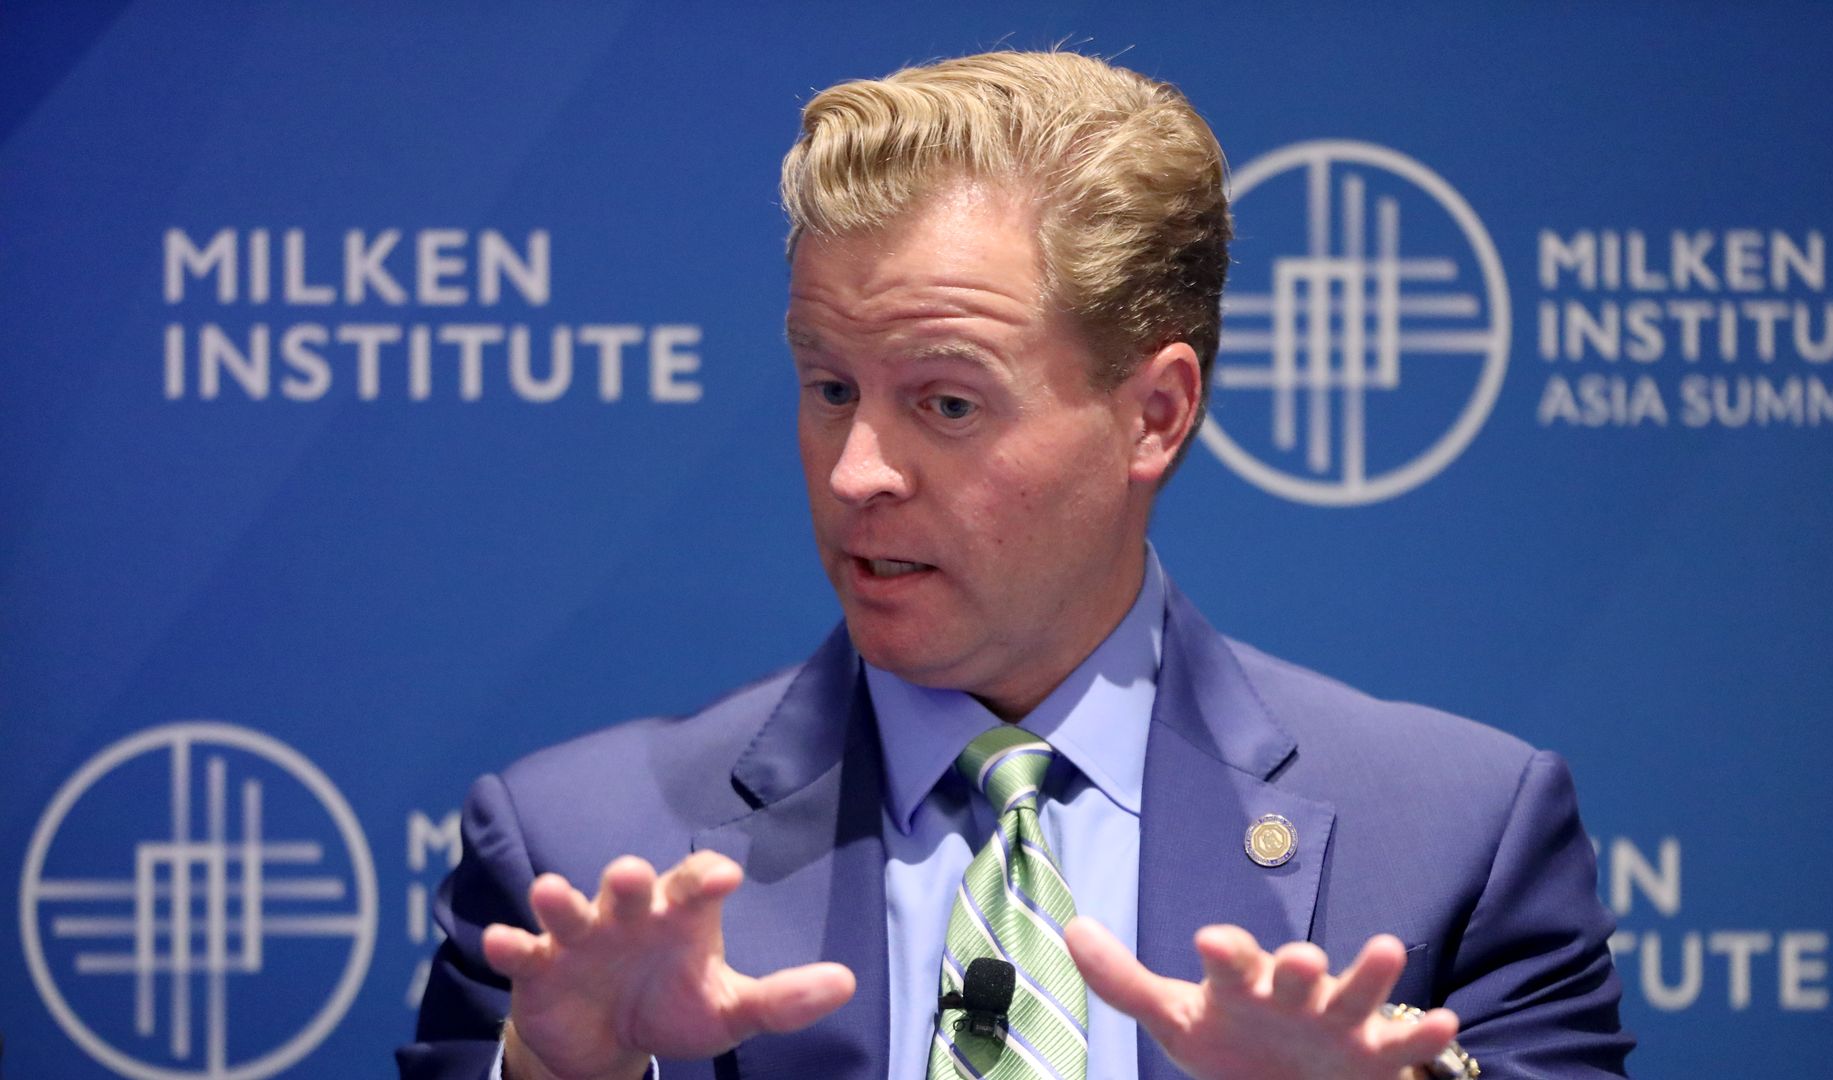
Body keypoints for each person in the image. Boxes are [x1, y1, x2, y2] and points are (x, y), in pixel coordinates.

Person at [399, 50, 1632, 1080]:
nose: (855, 473)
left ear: (1154, 415)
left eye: (945, 405)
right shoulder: (575, 854)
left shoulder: (1452, 844)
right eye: (830, 388)